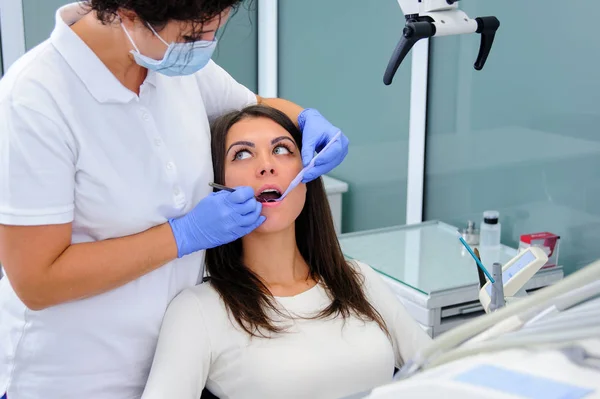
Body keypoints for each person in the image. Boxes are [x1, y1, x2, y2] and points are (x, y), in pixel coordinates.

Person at [0, 1, 349, 398]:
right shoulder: (34, 101)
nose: (205, 46)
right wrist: (183, 235)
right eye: (192, 37)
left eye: (214, 30)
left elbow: (257, 109)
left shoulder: (173, 64)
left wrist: (305, 120)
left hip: (172, 364)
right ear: (128, 12)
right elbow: (37, 282)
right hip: (71, 378)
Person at [141, 105, 432, 399]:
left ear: (308, 176)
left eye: (282, 150)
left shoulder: (359, 280)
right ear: (217, 185)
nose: (266, 166)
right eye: (241, 154)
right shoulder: (198, 311)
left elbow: (442, 370)